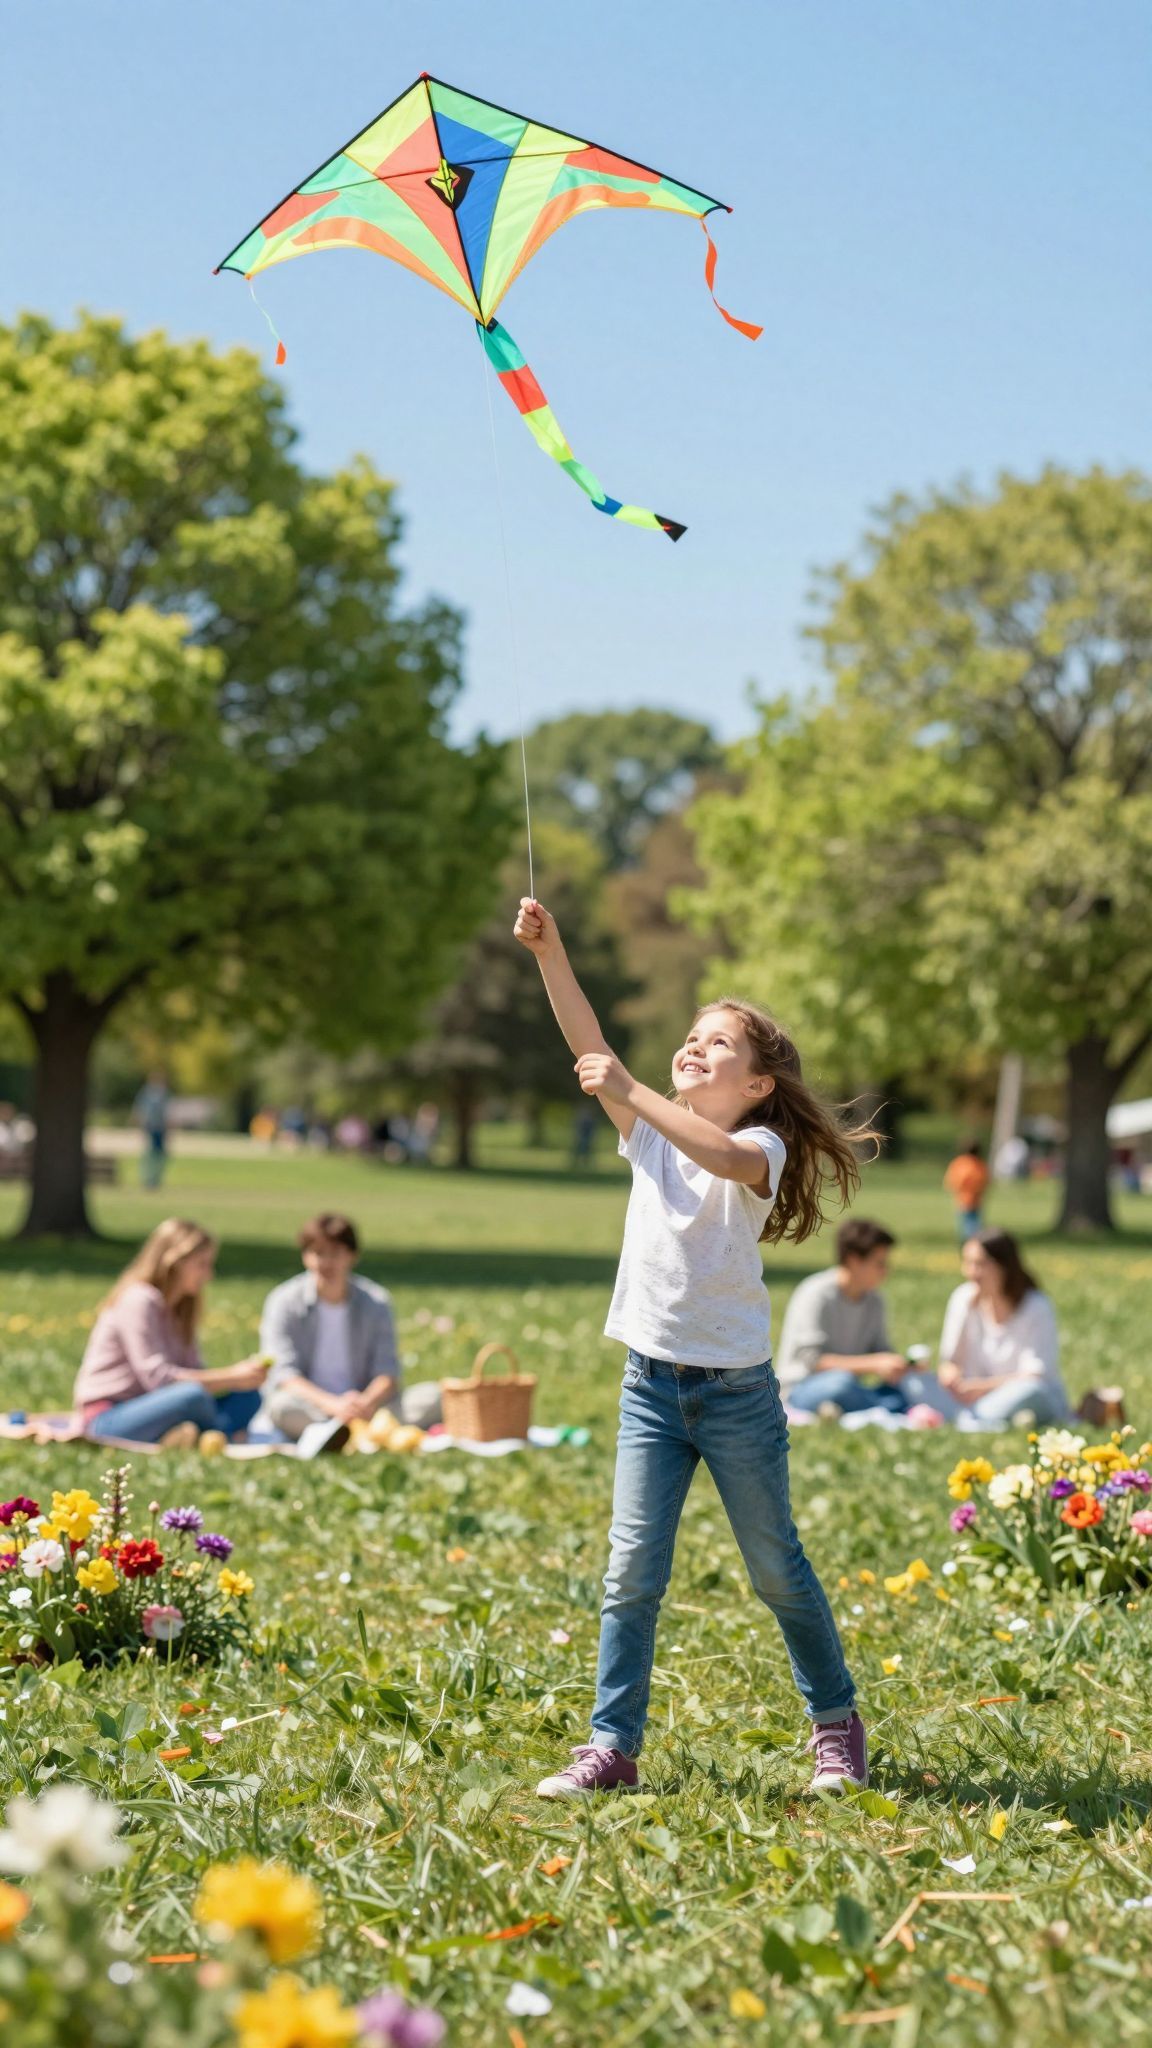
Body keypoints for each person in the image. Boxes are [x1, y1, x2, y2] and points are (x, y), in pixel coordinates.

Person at [514, 895, 870, 1799]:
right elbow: (587, 1040)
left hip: (736, 1396)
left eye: (719, 1044)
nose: (695, 1048)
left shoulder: (759, 1147)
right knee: (629, 1574)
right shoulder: (648, 1137)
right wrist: (552, 954)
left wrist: (628, 1087)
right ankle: (611, 1747)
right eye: (691, 1037)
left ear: (758, 1085)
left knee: (776, 1570)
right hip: (649, 1388)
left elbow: (723, 1158)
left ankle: (836, 1724)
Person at [253, 1212, 441, 1450]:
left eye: (335, 1253)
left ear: (352, 1256)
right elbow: (284, 1375)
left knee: (436, 1396)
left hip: (368, 1408)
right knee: (281, 1407)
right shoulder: (284, 1301)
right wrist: (333, 1405)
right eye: (317, 1253)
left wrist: (365, 1403)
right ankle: (352, 1433)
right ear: (305, 1256)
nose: (325, 1262)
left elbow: (387, 1372)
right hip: (311, 1407)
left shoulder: (376, 1301)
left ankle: (342, 1434)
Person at [73, 1220, 268, 1444]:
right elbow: (158, 1379)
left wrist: (240, 1380)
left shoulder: (180, 1308)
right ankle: (218, 1433)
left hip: (160, 1407)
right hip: (110, 1417)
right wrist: (231, 1376)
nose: (209, 1275)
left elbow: (193, 1371)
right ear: (174, 1261)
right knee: (192, 1395)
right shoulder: (139, 1300)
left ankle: (199, 1434)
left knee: (248, 1396)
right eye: (202, 1264)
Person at [929, 1228, 1069, 1427]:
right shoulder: (963, 1298)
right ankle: (974, 1417)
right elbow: (950, 1362)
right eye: (967, 1263)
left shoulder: (1036, 1306)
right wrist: (950, 1377)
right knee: (915, 1382)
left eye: (980, 1264)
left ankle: (970, 1419)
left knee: (1031, 1391)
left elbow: (1036, 1375)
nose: (970, 1272)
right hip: (970, 1397)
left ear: (1004, 1266)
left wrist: (983, 1388)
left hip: (1023, 1394)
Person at [777, 1220, 912, 1415]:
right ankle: (885, 1406)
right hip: (802, 1388)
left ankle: (860, 1406)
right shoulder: (815, 1294)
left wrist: (903, 1365)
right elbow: (813, 1362)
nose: (885, 1271)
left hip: (851, 1388)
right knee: (841, 1383)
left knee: (908, 1385)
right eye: (880, 1264)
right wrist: (874, 1364)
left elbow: (880, 1350)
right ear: (854, 1260)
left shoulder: (875, 1300)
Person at [133, 1069, 171, 1190]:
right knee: (150, 1154)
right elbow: (140, 1110)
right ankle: (148, 1180)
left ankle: (155, 1179)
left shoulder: (163, 1093)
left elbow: (166, 1112)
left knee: (160, 1155)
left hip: (160, 1129)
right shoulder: (146, 1093)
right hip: (150, 1128)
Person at [944, 1140, 988, 1238]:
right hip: (976, 1199)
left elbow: (953, 1181)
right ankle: (974, 1240)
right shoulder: (980, 1164)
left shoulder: (960, 1163)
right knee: (974, 1223)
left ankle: (969, 1241)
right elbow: (985, 1181)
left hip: (963, 1199)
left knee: (966, 1224)